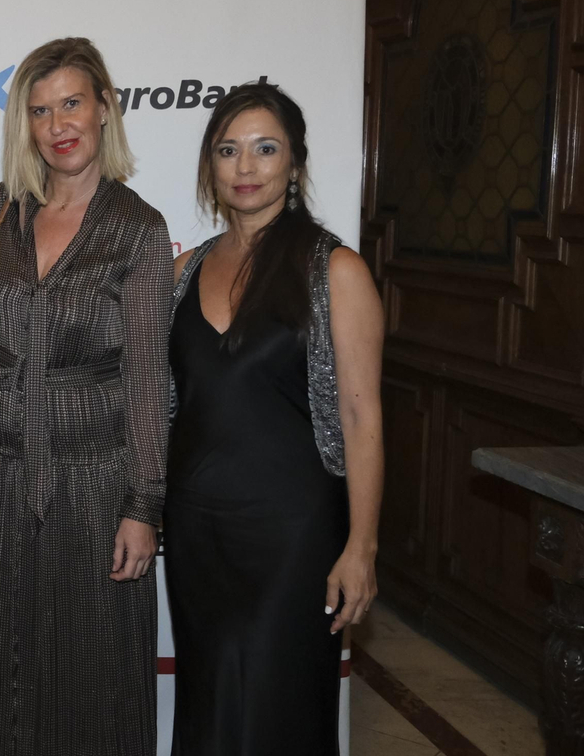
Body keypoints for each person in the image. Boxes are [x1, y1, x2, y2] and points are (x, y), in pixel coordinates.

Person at [0, 37, 172, 755]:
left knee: (88, 675)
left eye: (72, 103)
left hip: (90, 482)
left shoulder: (139, 230)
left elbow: (149, 376)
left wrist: (144, 503)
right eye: (39, 109)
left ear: (105, 108)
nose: (58, 123)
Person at [165, 83, 383, 754]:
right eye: (228, 150)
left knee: (277, 708)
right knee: (208, 703)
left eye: (265, 149)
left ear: (295, 163)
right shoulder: (184, 269)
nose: (246, 166)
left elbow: (361, 414)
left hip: (293, 534)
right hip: (198, 530)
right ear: (210, 166)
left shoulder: (335, 269)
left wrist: (361, 546)